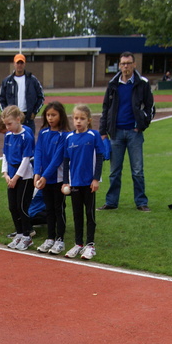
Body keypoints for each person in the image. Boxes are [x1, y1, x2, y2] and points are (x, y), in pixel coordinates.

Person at [98, 51, 154, 212]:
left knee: (137, 170)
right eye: (123, 64)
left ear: (134, 64)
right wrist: (103, 132)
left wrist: (142, 124)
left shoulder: (142, 83)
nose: (125, 67)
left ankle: (141, 202)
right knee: (114, 171)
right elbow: (106, 109)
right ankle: (111, 202)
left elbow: (150, 107)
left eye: (128, 63)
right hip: (116, 133)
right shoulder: (113, 84)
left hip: (134, 132)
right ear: (119, 65)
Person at [63, 104, 105, 260]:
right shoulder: (69, 138)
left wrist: (96, 179)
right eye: (75, 118)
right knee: (77, 214)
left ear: (88, 120)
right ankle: (78, 244)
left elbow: (100, 158)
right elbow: (66, 162)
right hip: (74, 184)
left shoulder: (93, 135)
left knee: (90, 214)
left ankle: (90, 245)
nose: (78, 121)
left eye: (81, 118)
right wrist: (66, 182)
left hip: (89, 183)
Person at [34, 101, 70, 255]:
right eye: (48, 115)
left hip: (58, 179)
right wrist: (37, 174)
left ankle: (59, 239)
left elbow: (57, 159)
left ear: (60, 115)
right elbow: (38, 153)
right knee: (48, 208)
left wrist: (44, 176)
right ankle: (50, 237)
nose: (50, 118)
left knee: (58, 208)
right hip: (44, 178)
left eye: (53, 115)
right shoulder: (43, 133)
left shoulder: (65, 135)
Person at [1, 105, 35, 250]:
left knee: (22, 206)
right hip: (11, 176)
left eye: (10, 124)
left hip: (25, 177)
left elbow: (26, 159)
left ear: (18, 119)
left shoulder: (26, 135)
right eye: (5, 124)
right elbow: (5, 155)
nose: (8, 127)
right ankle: (19, 233)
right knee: (12, 207)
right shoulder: (8, 136)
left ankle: (27, 235)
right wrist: (5, 174)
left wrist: (16, 177)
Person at [0, 53, 44, 135]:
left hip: (28, 118)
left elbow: (41, 97)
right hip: (12, 118)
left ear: (24, 64)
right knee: (13, 142)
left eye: (21, 63)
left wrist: (34, 112)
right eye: (17, 63)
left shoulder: (32, 80)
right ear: (14, 64)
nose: (19, 65)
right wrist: (5, 114)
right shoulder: (7, 81)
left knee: (29, 141)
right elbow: (1, 99)